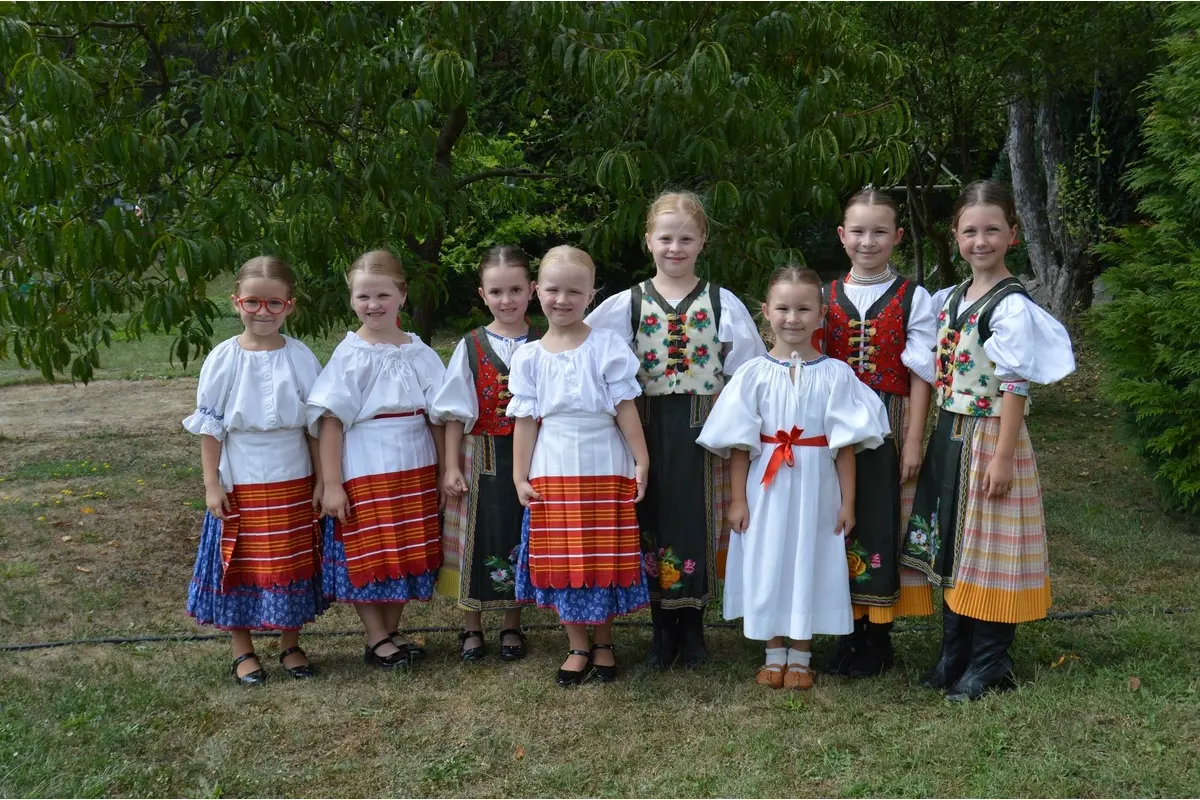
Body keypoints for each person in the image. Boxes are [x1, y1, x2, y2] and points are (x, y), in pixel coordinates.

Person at [900, 180, 1075, 701]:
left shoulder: (1011, 306)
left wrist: (1002, 456)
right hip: (950, 435)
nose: (981, 240)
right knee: (957, 543)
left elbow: (1015, 385)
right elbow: (934, 371)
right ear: (955, 235)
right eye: (970, 230)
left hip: (993, 435)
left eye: (992, 230)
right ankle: (954, 654)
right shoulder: (950, 298)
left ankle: (990, 662)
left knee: (992, 546)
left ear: (1013, 235)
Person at [587, 190, 765, 668]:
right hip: (643, 426)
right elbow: (586, 353)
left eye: (686, 238)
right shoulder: (625, 304)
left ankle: (694, 627)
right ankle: (661, 628)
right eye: (665, 238)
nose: (675, 248)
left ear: (702, 240)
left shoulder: (721, 301)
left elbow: (748, 370)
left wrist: (736, 422)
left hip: (704, 426)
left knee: (698, 518)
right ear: (648, 240)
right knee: (653, 517)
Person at [696, 266, 890, 690]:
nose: (793, 318)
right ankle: (773, 649)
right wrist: (737, 500)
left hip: (817, 486)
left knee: (809, 557)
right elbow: (741, 444)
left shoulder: (836, 374)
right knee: (769, 559)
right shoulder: (752, 374)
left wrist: (848, 502)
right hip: (767, 489)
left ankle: (801, 653)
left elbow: (845, 446)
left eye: (804, 308)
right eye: (783, 308)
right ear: (766, 311)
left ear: (821, 314)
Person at [508, 245, 651, 687]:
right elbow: (526, 422)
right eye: (553, 289)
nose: (562, 299)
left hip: (606, 461)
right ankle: (576, 644)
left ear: (592, 293)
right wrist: (519, 475)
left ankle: (605, 642)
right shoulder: (529, 357)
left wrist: (641, 460)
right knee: (566, 557)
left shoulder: (607, 345)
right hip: (554, 464)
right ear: (537, 291)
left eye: (574, 290)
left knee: (601, 555)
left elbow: (625, 408)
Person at [184, 256, 325, 685]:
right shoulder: (223, 358)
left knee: (289, 560)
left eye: (273, 303)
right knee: (240, 562)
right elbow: (211, 427)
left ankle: (289, 642)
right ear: (236, 303)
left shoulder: (301, 356)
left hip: (293, 472)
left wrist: (322, 479)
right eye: (252, 302)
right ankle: (242, 649)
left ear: (289, 306)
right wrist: (212, 484)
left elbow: (316, 427)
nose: (262, 311)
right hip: (241, 472)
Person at [306, 250, 447, 670]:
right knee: (372, 548)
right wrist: (332, 484)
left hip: (415, 461)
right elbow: (330, 421)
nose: (373, 305)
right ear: (351, 299)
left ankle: (390, 632)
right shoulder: (350, 354)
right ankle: (376, 636)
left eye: (383, 294)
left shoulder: (419, 351)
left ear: (402, 295)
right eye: (363, 296)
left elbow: (439, 416)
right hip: (367, 460)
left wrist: (444, 469)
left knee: (403, 549)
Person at [822, 188, 937, 677]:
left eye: (880, 232)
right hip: (832, 422)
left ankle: (878, 633)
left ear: (897, 237)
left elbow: (920, 374)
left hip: (889, 419)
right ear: (843, 236)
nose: (868, 242)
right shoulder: (824, 294)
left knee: (881, 517)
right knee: (835, 516)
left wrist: (912, 439)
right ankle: (843, 627)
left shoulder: (915, 297)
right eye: (859, 232)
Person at [431, 246, 540, 662]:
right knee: (475, 538)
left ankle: (513, 624)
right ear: (482, 294)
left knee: (519, 532)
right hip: (482, 455)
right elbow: (454, 412)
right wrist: (451, 465)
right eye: (497, 292)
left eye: (515, 289)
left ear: (531, 290)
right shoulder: (472, 345)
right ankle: (471, 626)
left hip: (535, 454)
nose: (507, 300)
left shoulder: (545, 342)